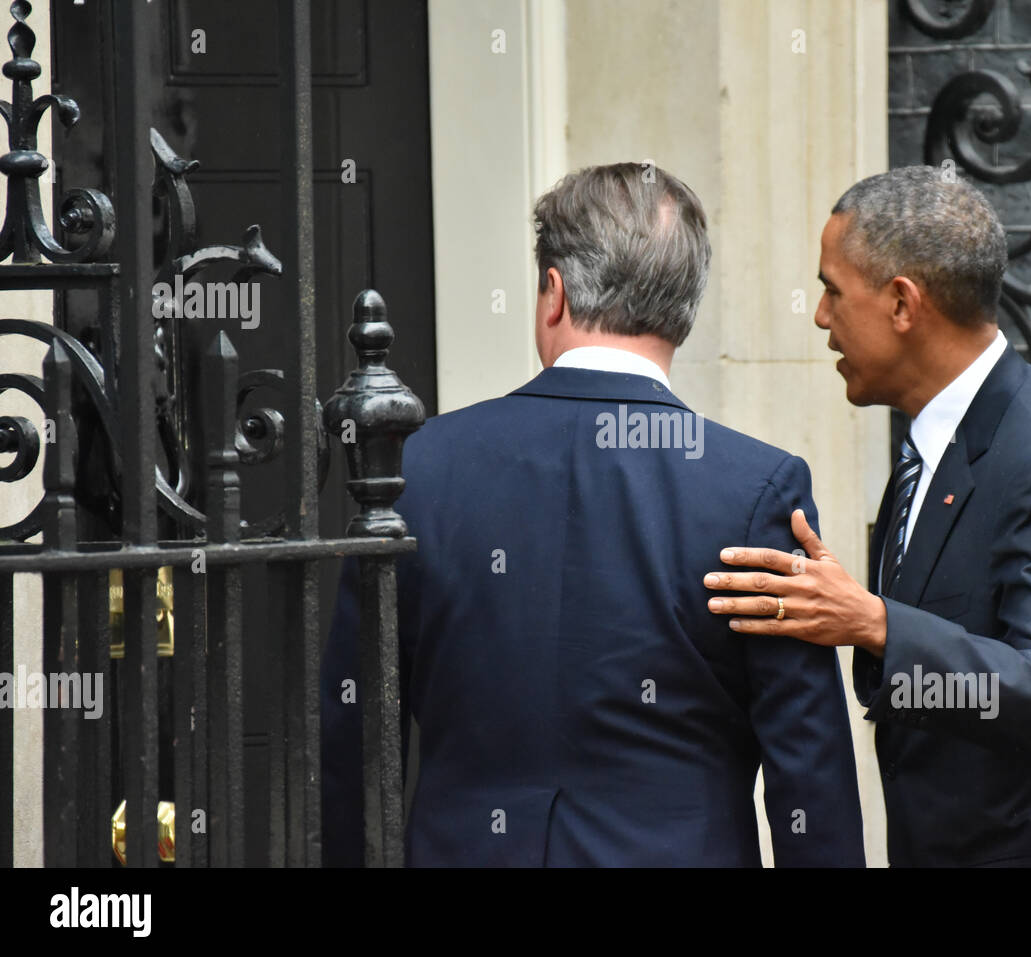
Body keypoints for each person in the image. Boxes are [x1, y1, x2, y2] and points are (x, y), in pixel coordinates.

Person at [322, 162, 864, 867]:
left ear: (554, 293)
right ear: (684, 309)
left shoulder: (421, 468)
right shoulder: (755, 490)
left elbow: (353, 736)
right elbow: (807, 774)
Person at [703, 165, 1031, 867]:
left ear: (902, 303)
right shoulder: (938, 444)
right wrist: (869, 623)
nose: (819, 316)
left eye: (832, 290)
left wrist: (873, 622)